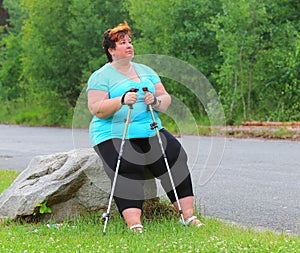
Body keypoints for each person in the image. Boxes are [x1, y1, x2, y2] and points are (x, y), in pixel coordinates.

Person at [87, 21, 203, 233]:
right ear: (111, 50)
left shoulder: (146, 71)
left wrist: (155, 102)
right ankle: (135, 224)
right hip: (113, 134)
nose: (129, 46)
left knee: (175, 155)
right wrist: (121, 100)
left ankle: (188, 216)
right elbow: (97, 109)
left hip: (149, 129)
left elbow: (165, 98)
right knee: (129, 166)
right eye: (122, 43)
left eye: (130, 42)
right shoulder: (101, 76)